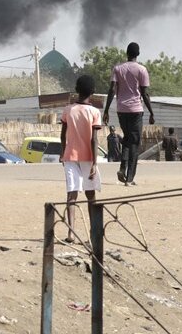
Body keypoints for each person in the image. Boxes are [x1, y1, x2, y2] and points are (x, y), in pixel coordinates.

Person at [103, 42, 154, 186]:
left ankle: (122, 168)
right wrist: (151, 112)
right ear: (138, 54)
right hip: (136, 110)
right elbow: (144, 93)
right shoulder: (142, 70)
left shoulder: (118, 69)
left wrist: (106, 110)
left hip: (121, 110)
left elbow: (112, 90)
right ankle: (129, 178)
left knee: (126, 140)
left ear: (127, 53)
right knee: (134, 144)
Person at [59, 75, 102, 244]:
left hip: (70, 156)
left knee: (71, 194)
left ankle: (71, 233)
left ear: (77, 90)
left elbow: (62, 135)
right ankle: (93, 231)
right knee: (91, 196)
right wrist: (95, 163)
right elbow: (94, 139)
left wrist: (63, 153)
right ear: (92, 92)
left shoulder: (68, 110)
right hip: (88, 158)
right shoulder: (94, 112)